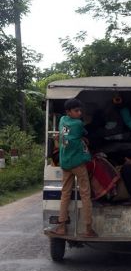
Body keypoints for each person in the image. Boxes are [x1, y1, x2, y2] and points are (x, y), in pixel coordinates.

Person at [50, 98, 97, 238]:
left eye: (80, 110)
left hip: (65, 163)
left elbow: (63, 136)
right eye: (76, 110)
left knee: (65, 194)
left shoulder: (62, 120)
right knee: (85, 194)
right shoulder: (78, 124)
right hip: (78, 164)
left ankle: (62, 227)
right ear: (69, 111)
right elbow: (83, 133)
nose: (80, 113)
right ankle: (88, 228)